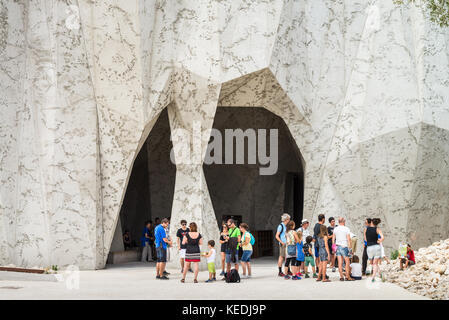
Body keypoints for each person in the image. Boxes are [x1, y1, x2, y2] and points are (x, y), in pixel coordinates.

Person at [333, 217, 354, 281]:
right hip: (344, 246)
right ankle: (347, 276)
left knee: (340, 262)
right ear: (343, 221)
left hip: (338, 246)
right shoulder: (346, 228)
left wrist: (334, 248)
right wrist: (350, 248)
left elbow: (333, 239)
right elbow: (348, 239)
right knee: (347, 262)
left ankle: (341, 277)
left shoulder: (335, 229)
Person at [364, 218, 384, 282]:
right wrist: (379, 240)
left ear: (371, 222)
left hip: (369, 248)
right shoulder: (377, 229)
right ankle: (374, 276)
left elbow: (365, 239)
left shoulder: (366, 229)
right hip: (376, 247)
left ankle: (378, 275)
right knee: (375, 263)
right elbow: (382, 237)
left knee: (372, 263)